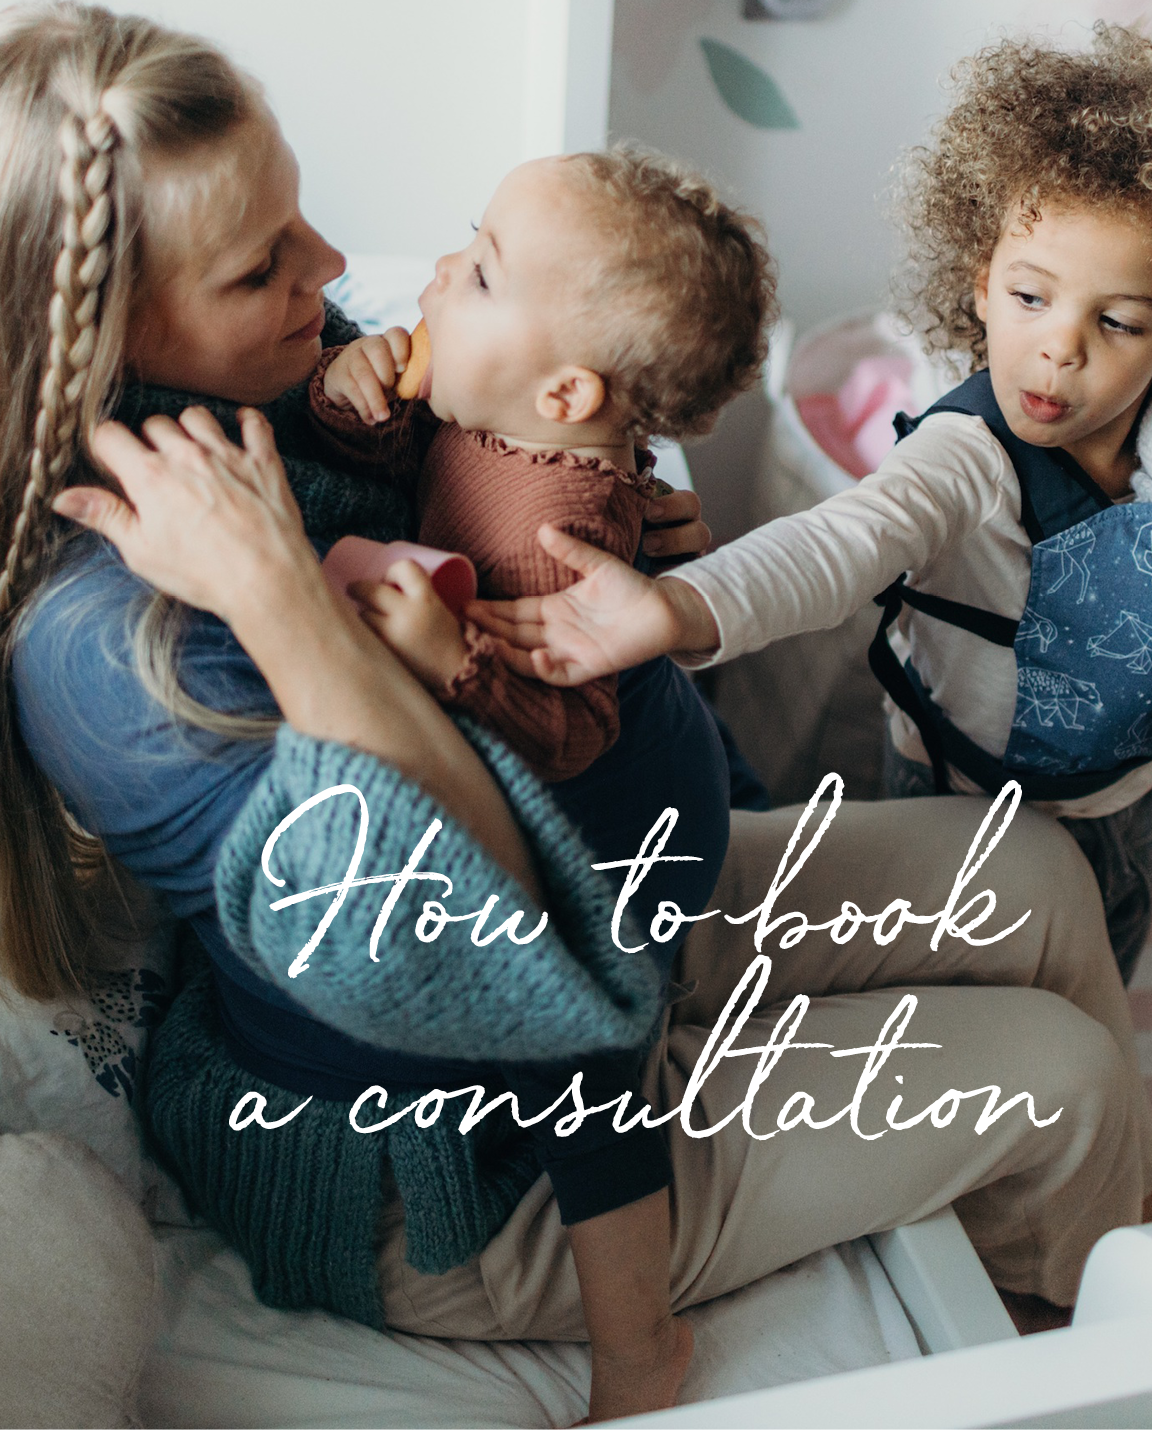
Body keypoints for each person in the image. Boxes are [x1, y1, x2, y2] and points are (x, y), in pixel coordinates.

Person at [0, 5, 1152, 1430]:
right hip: (467, 1157)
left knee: (1031, 875)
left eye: (305, 220)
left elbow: (497, 448)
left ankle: (1141, 1201)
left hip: (625, 897)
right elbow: (487, 949)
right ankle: (1105, 1261)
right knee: (1064, 1074)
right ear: (97, 320)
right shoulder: (123, 649)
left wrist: (610, 516)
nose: (335, 270)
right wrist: (284, 603)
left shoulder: (266, 380)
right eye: (262, 261)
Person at [473, 27, 1152, 986]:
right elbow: (842, 542)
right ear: (980, 283)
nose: (1059, 346)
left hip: (1123, 791)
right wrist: (682, 606)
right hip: (962, 793)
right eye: (1030, 297)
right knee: (973, 989)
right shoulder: (966, 454)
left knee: (1101, 973)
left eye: (1113, 321)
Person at [305, 144, 774, 1380]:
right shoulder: (485, 407)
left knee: (592, 1094)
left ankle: (636, 1351)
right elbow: (397, 461)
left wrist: (446, 655)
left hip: (614, 831)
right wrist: (350, 386)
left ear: (564, 395)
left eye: (480, 273)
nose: (442, 270)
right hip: (591, 811)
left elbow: (568, 728)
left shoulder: (560, 532)